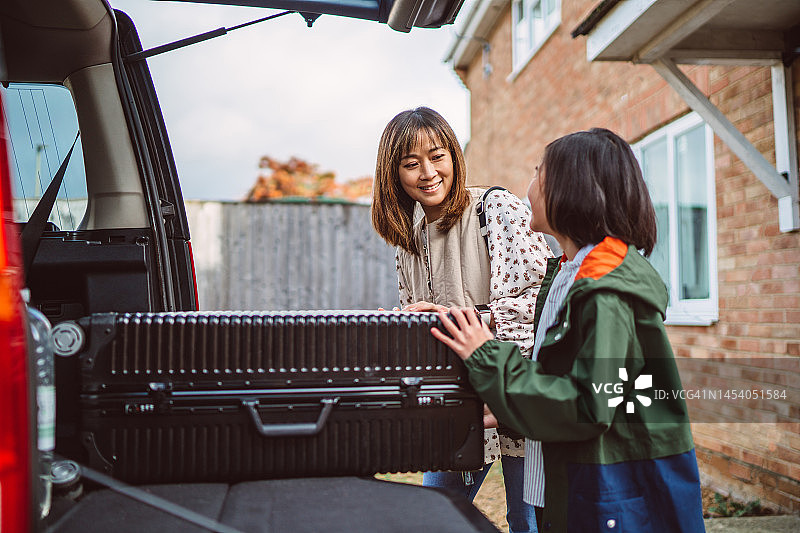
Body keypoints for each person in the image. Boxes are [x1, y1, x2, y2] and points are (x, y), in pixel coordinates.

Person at [430, 128, 706, 533]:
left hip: (606, 496)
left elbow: (587, 405)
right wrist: (506, 412)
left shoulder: (605, 290)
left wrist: (487, 353)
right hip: (568, 488)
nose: (528, 187)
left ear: (572, 188)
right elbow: (562, 382)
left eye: (539, 173)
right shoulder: (565, 275)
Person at [371, 107, 552, 533]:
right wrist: (397, 331)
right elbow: (427, 329)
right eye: (411, 163)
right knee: (433, 518)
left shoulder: (496, 209)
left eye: (438, 156)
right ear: (393, 173)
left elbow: (541, 303)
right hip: (456, 405)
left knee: (526, 523)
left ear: (454, 154)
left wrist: (463, 319)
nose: (428, 172)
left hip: (518, 392)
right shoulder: (407, 240)